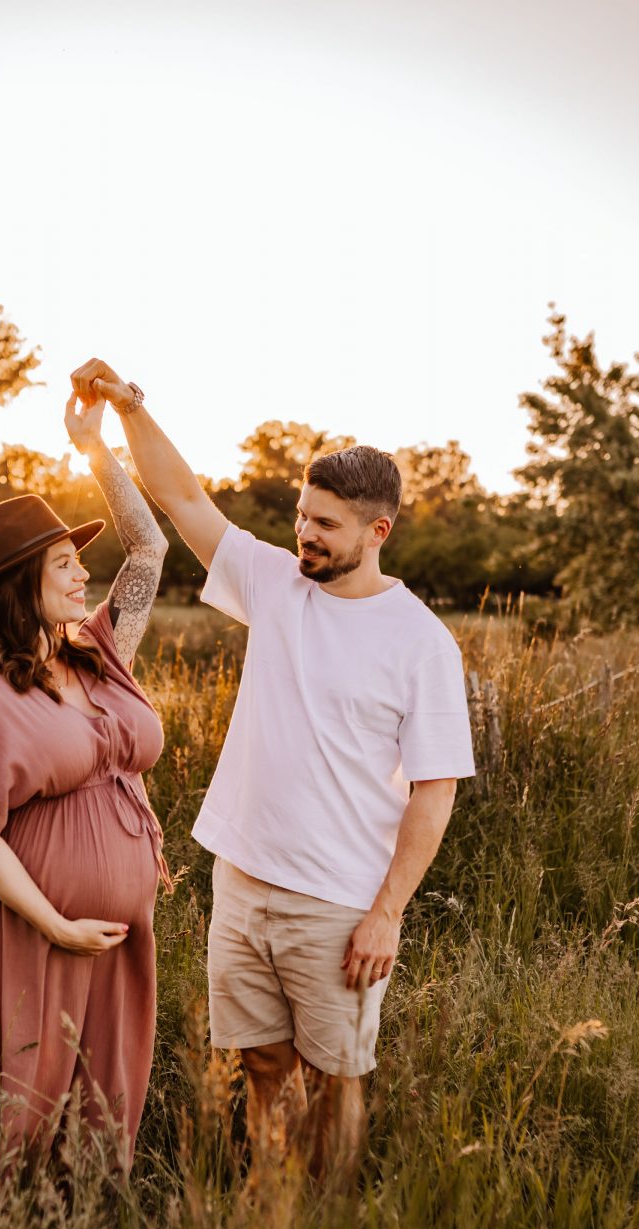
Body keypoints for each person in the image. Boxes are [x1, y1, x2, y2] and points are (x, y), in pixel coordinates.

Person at [69, 359, 476, 1180]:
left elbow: (436, 791)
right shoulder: (277, 584)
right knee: (260, 1066)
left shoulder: (421, 641)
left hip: (339, 902)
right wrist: (126, 410)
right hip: (242, 884)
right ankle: (270, 1208)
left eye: (325, 524)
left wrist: (387, 913)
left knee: (335, 1079)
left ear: (377, 532)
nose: (305, 536)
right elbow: (183, 498)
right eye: (301, 516)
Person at [0, 392, 170, 1178]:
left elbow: (148, 551)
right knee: (18, 1102)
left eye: (81, 560)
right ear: (22, 582)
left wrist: (94, 447)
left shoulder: (98, 652)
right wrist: (56, 922)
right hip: (32, 932)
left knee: (95, 1112)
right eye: (64, 564)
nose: (85, 574)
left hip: (117, 939)